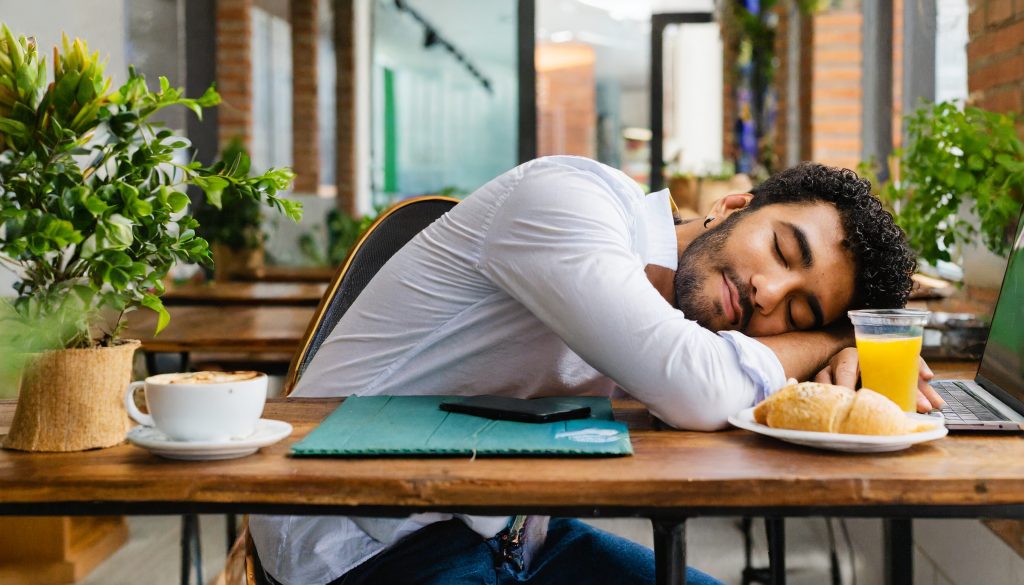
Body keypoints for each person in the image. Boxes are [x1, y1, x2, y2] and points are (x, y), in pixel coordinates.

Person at [250, 156, 943, 585]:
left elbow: (693, 387)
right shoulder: (569, 202)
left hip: (514, 537)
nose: (768, 294)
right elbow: (700, 388)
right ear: (736, 206)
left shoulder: (690, 316)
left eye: (798, 311)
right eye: (782, 250)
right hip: (362, 546)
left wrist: (842, 342)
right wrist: (825, 341)